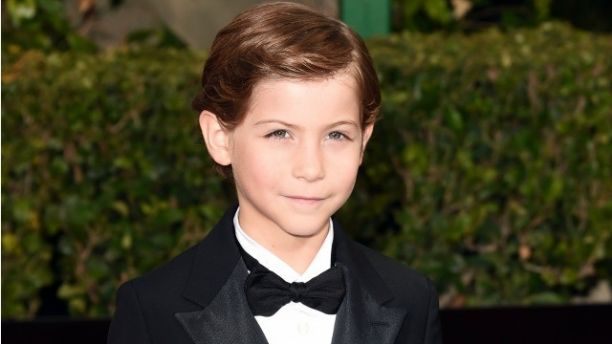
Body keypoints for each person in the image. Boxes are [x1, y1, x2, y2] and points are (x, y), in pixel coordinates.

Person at [107, 2, 442, 343]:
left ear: (363, 141)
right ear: (220, 137)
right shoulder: (152, 310)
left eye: (336, 135)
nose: (311, 168)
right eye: (280, 134)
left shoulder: (412, 299)